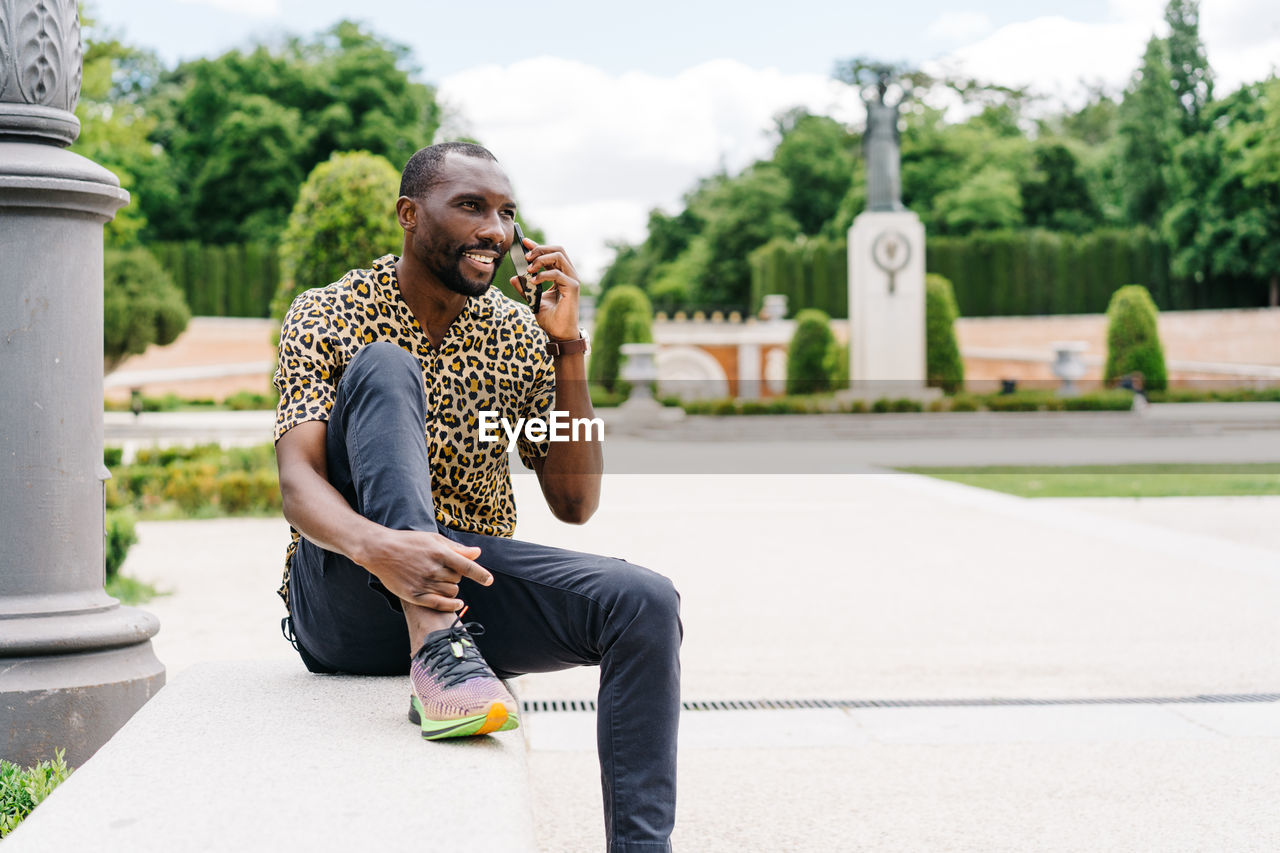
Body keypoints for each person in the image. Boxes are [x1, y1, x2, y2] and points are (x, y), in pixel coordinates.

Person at [272, 141, 682, 852]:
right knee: (383, 366)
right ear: (409, 214)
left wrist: (568, 350)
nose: (495, 229)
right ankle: (432, 644)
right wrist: (385, 549)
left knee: (646, 602)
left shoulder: (517, 335)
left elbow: (575, 501)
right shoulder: (330, 312)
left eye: (505, 213)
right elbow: (297, 483)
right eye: (471, 206)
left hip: (473, 592)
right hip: (345, 587)